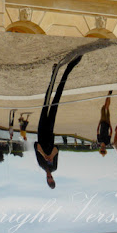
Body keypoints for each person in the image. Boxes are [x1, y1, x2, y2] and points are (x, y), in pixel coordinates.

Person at [35, 55, 82, 189]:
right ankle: (69, 68)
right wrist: (51, 155)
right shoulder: (54, 167)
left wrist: (45, 155)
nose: (50, 176)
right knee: (56, 100)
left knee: (47, 99)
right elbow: (57, 148)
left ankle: (53, 74)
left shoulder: (42, 165)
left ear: (46, 178)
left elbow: (36, 145)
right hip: (50, 131)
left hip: (41, 130)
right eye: (51, 178)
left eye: (48, 178)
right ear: (53, 177)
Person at [97, 90, 113, 156]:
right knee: (107, 107)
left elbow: (97, 131)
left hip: (102, 122)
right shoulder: (107, 142)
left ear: (100, 149)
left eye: (102, 151)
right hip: (107, 123)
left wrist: (99, 123)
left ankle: (109, 95)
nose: (103, 150)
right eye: (104, 151)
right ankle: (109, 95)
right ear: (105, 150)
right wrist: (110, 125)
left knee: (104, 107)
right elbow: (110, 133)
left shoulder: (99, 141)